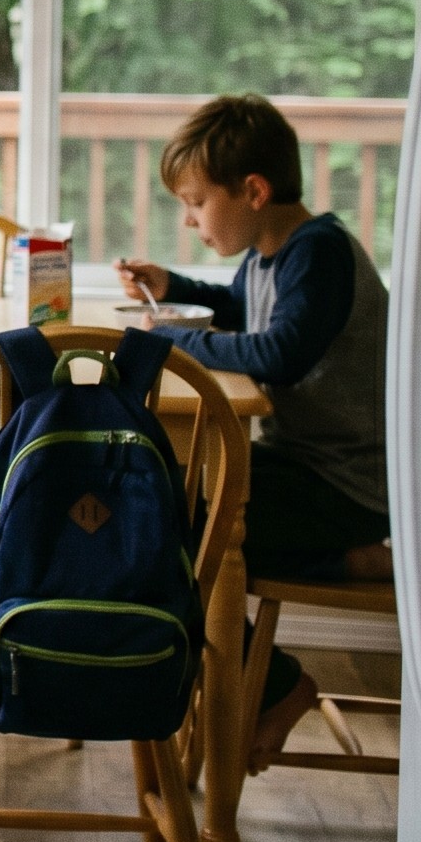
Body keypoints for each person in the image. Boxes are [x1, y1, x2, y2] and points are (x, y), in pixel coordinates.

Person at [116, 93, 390, 775]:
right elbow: (243, 307)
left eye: (197, 202)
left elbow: (279, 351)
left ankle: (273, 683)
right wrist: (173, 284)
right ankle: (321, 586)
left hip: (342, 484)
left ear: (254, 191)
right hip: (302, 468)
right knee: (162, 506)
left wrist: (176, 342)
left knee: (173, 524)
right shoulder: (273, 255)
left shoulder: (319, 253)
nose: (189, 219)